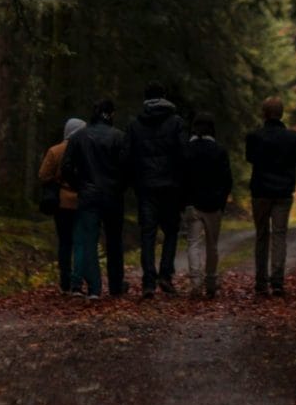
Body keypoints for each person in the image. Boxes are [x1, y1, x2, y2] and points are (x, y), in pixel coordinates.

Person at [124, 80, 186, 299]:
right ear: (165, 96)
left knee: (148, 234)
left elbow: (128, 157)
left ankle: (148, 281)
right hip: (170, 186)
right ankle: (165, 275)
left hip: (145, 187)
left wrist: (134, 182)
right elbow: (182, 154)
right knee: (171, 232)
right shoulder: (176, 122)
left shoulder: (135, 125)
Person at [61, 99, 129, 299]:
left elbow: (66, 167)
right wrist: (120, 187)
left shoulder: (79, 137)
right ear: (111, 114)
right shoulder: (119, 137)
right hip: (113, 196)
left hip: (88, 195)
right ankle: (116, 286)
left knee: (89, 241)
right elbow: (127, 168)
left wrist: (79, 185)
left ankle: (94, 288)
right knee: (114, 241)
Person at [245, 96, 296, 297]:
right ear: (281, 114)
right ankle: (277, 282)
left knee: (262, 235)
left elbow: (250, 158)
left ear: (264, 114)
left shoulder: (254, 136)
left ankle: (260, 282)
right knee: (280, 236)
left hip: (260, 192)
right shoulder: (292, 137)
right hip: (283, 192)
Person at [181, 112, 232, 299]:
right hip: (214, 204)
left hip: (192, 203)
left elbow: (181, 179)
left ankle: (195, 282)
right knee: (212, 245)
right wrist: (222, 203)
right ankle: (211, 281)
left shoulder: (186, 149)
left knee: (193, 243)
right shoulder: (219, 150)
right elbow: (227, 180)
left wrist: (184, 202)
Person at [37, 117, 87, 294]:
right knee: (82, 242)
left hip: (62, 202)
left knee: (65, 243)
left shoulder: (55, 151)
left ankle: (65, 281)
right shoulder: (86, 150)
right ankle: (78, 282)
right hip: (83, 201)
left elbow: (43, 175)